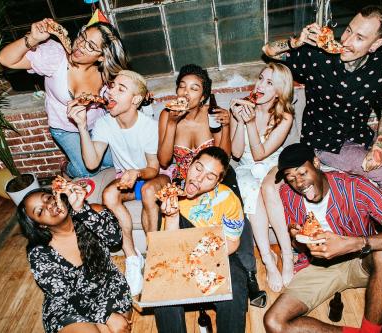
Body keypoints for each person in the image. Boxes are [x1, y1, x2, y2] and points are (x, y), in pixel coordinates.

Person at [262, 5, 382, 207]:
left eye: (360, 38)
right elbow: (269, 50)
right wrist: (296, 42)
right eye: (348, 30)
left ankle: (372, 197)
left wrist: (379, 146)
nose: (346, 41)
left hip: (361, 135)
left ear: (376, 44)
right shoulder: (318, 56)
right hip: (324, 143)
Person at [263, 143, 382, 333]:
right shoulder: (288, 194)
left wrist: (356, 243)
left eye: (302, 173)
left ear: (316, 163)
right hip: (318, 266)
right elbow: (294, 233)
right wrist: (295, 235)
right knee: (274, 322)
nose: (298, 183)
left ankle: (371, 330)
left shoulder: (356, 187)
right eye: (291, 178)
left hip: (359, 259)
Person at [157, 64, 266, 307]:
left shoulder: (214, 114)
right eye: (182, 86)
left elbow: (225, 161)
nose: (185, 93)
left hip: (217, 176)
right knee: (166, 206)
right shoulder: (167, 114)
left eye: (194, 88)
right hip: (186, 179)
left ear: (203, 96)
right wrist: (173, 124)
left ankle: (249, 274)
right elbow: (164, 161)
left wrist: (226, 126)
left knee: (236, 206)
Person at [67, 70, 169, 296]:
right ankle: (132, 258)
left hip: (152, 176)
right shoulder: (105, 123)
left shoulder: (149, 126)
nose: (110, 91)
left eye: (120, 89)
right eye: (112, 86)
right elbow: (92, 163)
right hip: (127, 178)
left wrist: (137, 172)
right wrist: (82, 126)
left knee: (151, 191)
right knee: (108, 195)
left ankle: (153, 255)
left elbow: (154, 168)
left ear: (135, 100)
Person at [0, 18, 128, 178]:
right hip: (66, 129)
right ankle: (67, 167)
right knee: (87, 171)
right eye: (82, 37)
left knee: (116, 161)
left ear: (102, 57)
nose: (80, 45)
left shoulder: (107, 74)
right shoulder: (56, 56)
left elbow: (118, 101)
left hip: (97, 125)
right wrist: (33, 39)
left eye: (91, 46)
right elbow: (5, 59)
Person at [154, 146, 248, 333]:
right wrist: (171, 217)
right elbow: (168, 250)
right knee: (162, 288)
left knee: (236, 285)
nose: (199, 178)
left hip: (217, 251)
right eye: (198, 168)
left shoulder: (228, 199)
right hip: (178, 253)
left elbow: (232, 242)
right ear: (190, 164)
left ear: (218, 182)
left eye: (210, 176)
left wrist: (203, 255)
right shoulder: (171, 196)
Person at [17, 185, 132, 333]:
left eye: (48, 199)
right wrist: (107, 316)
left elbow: (115, 239)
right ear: (41, 225)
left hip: (108, 288)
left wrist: (81, 210)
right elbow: (66, 296)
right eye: (40, 211)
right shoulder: (39, 253)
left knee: (116, 330)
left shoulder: (92, 212)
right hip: (70, 303)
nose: (49, 205)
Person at [230, 63, 295, 292]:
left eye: (269, 83)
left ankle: (287, 256)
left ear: (279, 91)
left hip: (273, 164)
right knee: (251, 196)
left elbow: (260, 154)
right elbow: (237, 153)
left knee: (268, 188)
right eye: (260, 79)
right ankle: (268, 261)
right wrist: (238, 120)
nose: (260, 85)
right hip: (247, 167)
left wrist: (249, 124)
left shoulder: (284, 117)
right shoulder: (243, 108)